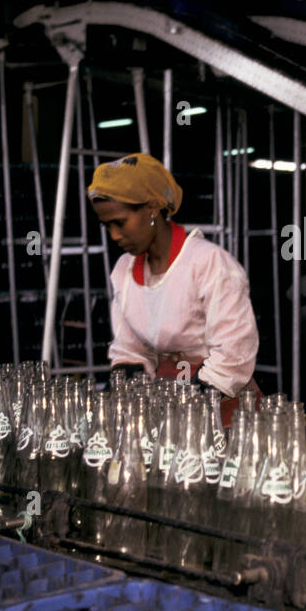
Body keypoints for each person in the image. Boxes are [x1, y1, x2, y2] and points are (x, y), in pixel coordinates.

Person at [88, 152, 260, 425]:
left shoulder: (208, 263)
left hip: (223, 410)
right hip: (166, 405)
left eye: (120, 223)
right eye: (106, 225)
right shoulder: (124, 271)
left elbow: (234, 350)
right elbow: (130, 350)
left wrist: (188, 404)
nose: (114, 235)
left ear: (152, 208)